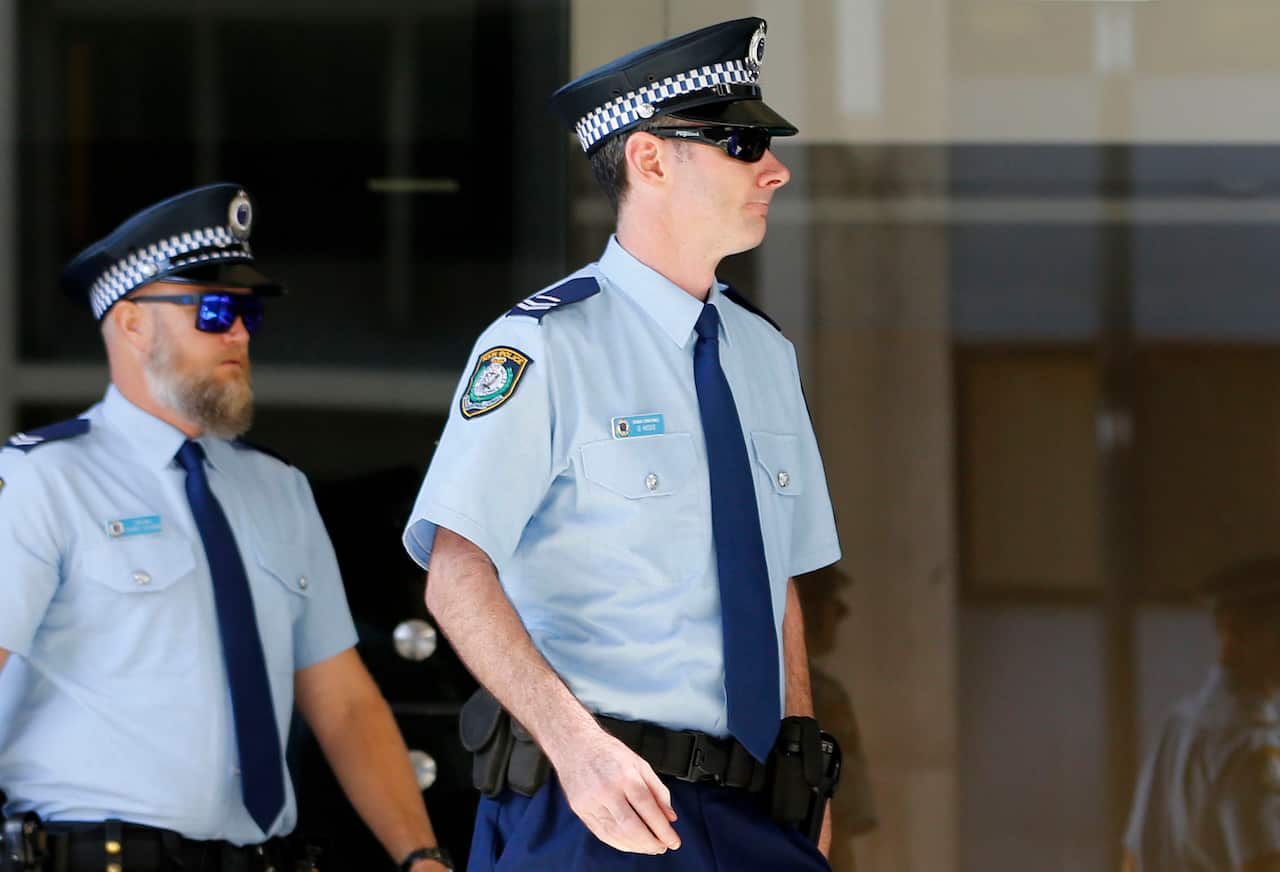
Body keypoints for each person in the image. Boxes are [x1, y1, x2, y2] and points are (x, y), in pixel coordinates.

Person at [403, 17, 842, 871]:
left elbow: (776, 579)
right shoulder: (543, 345)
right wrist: (576, 749)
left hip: (758, 812)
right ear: (650, 159)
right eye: (743, 144)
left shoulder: (763, 352)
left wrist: (803, 764)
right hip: (594, 807)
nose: (775, 170)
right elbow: (455, 575)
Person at [0, 184, 452, 872]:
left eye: (249, 313)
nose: (239, 332)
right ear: (132, 323)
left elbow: (344, 703)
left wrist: (420, 857)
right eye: (214, 310)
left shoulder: (277, 488)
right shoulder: (41, 480)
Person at [1123, 557, 1280, 872]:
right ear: (1234, 631)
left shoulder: (1178, 725)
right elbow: (1264, 864)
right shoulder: (1249, 743)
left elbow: (1131, 860)